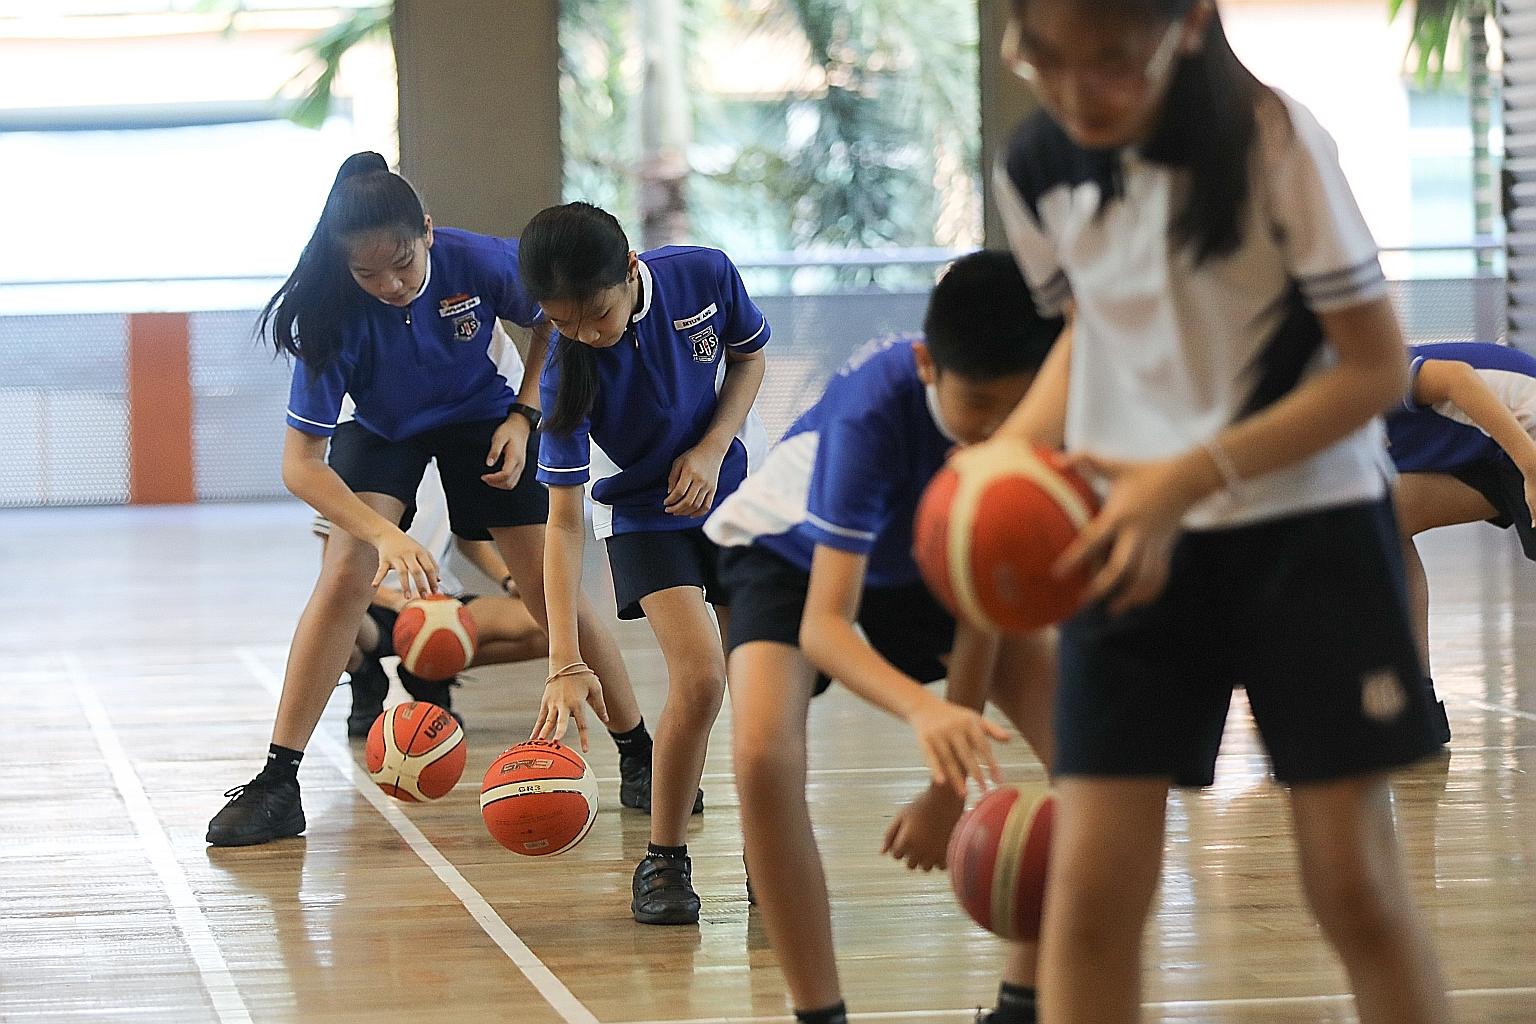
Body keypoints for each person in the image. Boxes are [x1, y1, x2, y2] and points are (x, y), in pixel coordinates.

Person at [991, 2, 1450, 1021]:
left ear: (1186, 26)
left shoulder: (1272, 140)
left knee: (1353, 885)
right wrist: (1013, 445)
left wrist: (1186, 477)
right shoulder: (1034, 166)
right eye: (1045, 61)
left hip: (1313, 528)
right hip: (1134, 543)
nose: (1076, 94)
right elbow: (1096, 331)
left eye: (1110, 62)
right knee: (1093, 893)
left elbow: (1373, 369)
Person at [206, 154, 647, 848]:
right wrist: (383, 536)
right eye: (367, 273)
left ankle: (638, 750)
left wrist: (524, 415)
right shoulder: (328, 316)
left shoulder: (481, 261)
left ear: (429, 233)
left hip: (482, 416)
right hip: (382, 429)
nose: (389, 285)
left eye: (402, 265)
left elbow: (552, 324)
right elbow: (300, 466)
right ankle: (278, 779)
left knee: (545, 586)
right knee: (347, 572)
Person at [704, 251, 1062, 1024]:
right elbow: (825, 628)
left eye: (1020, 406)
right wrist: (925, 715)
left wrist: (947, 790)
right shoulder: (875, 413)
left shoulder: (1036, 423)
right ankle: (818, 1013)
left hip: (926, 563)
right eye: (980, 405)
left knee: (1092, 757)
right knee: (763, 756)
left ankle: (1023, 1006)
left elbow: (984, 609)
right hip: (790, 554)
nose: (1000, 429)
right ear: (929, 365)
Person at [521, 201, 769, 925]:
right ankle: (665, 859)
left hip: (732, 501)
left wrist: (714, 444)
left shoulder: (704, 274)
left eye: (594, 314)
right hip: (641, 517)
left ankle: (769, 853)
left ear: (630, 271)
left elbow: (750, 356)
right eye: (561, 322)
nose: (582, 334)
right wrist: (565, 657)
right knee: (700, 675)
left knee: (761, 687)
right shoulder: (569, 365)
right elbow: (563, 525)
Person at [1386, 339, 1536, 744]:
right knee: (1377, 516)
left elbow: (1456, 377)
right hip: (1489, 457)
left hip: (1523, 436)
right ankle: (1418, 707)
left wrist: (1531, 465)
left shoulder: (1354, 372)